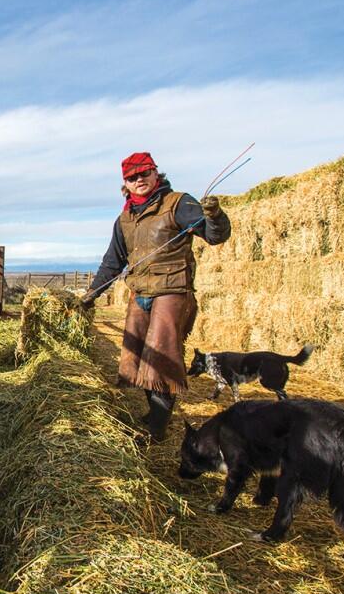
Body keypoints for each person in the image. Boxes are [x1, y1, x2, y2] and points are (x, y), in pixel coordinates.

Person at [81, 152, 231, 440]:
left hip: (172, 291)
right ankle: (155, 412)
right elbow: (114, 260)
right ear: (125, 182)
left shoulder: (178, 203)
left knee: (160, 358)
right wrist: (92, 293)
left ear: (155, 173)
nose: (139, 180)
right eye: (132, 177)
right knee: (137, 357)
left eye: (144, 174)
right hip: (140, 292)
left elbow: (214, 236)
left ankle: (156, 431)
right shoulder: (125, 218)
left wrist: (215, 216)